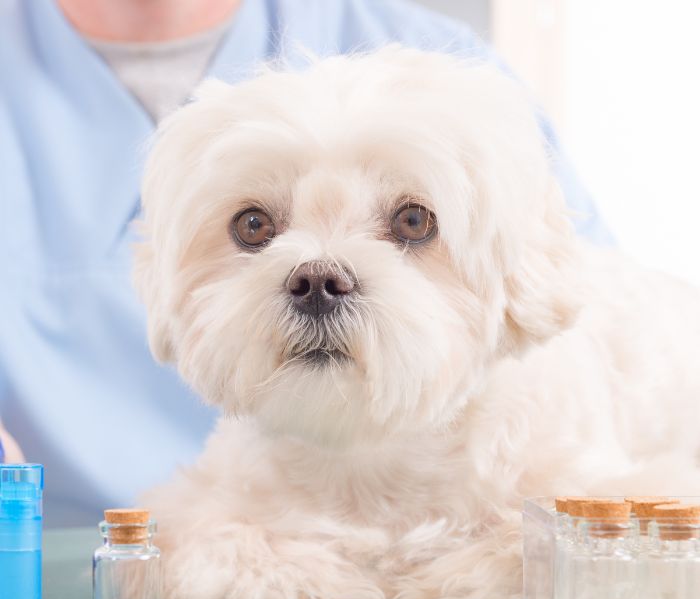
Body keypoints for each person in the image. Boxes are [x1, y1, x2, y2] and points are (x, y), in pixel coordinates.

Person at [0, 0, 612, 526]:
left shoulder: (452, 73)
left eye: (411, 223)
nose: (318, 276)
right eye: (255, 226)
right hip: (45, 572)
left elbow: (588, 324)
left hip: (439, 523)